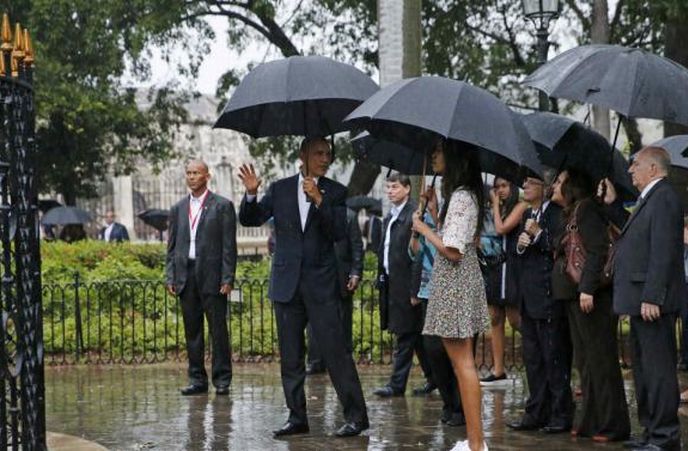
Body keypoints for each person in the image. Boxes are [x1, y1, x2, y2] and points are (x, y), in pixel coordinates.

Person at [238, 137, 368, 438]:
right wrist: (251, 193)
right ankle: (297, 417)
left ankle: (356, 416)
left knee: (336, 353)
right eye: (319, 153)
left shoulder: (335, 191)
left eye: (328, 154)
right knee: (291, 356)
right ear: (302, 156)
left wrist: (319, 199)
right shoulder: (280, 189)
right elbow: (250, 218)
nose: (325, 158)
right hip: (287, 285)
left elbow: (339, 232)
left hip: (321, 286)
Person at [602, 147, 684, 450]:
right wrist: (611, 205)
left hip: (652, 302)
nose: (630, 170)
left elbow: (663, 253)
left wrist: (652, 296)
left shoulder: (663, 197)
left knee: (659, 371)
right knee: (643, 370)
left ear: (653, 167)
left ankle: (664, 437)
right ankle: (651, 431)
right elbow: (632, 234)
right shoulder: (650, 199)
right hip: (639, 300)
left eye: (634, 164)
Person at [412, 140, 490, 451]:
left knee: (463, 365)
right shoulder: (465, 195)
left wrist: (423, 227)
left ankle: (476, 444)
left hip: (454, 282)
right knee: (463, 363)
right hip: (459, 281)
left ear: (455, 157)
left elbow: (453, 250)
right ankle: (475, 441)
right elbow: (456, 235)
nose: (433, 155)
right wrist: (433, 210)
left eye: (439, 151)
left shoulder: (461, 196)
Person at [550, 169, 630, 442]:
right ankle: (591, 419)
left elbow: (598, 249)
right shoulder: (573, 213)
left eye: (559, 181)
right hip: (576, 296)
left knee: (601, 361)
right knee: (586, 361)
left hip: (592, 297)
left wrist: (587, 288)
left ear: (572, 186)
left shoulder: (586, 210)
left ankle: (613, 423)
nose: (554, 185)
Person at [507, 175, 573, 434]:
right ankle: (536, 411)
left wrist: (538, 235)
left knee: (553, 358)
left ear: (545, 187)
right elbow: (519, 253)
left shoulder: (556, 214)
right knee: (533, 361)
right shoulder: (528, 214)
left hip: (547, 297)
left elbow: (559, 248)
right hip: (528, 297)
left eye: (531, 183)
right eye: (523, 183)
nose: (524, 187)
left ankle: (560, 414)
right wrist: (522, 244)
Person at [165, 160, 237, 397]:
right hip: (186, 275)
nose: (191, 176)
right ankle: (197, 379)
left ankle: (222, 379)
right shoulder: (178, 208)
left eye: (196, 173)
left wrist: (228, 277)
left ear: (207, 176)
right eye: (188, 173)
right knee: (192, 331)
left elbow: (229, 246)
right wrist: (171, 276)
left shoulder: (222, 206)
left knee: (218, 330)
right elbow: (172, 247)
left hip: (213, 276)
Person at [373, 173, 433, 397]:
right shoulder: (390, 217)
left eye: (395, 187)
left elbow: (418, 254)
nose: (390, 191)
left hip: (408, 284)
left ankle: (396, 384)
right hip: (392, 283)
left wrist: (416, 288)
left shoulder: (414, 215)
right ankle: (434, 377)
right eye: (388, 187)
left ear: (408, 189)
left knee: (405, 335)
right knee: (414, 335)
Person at [410, 188, 465, 426]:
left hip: (451, 288)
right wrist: (416, 231)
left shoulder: (460, 211)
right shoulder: (428, 214)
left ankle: (460, 406)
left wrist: (427, 226)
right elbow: (415, 252)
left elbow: (451, 247)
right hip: (428, 289)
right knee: (432, 348)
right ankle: (449, 401)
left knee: (454, 351)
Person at [480, 177, 527, 385]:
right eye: (497, 187)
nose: (500, 191)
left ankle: (541, 343)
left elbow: (501, 228)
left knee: (515, 318)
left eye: (505, 186)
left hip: (513, 266)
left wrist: (496, 206)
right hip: (495, 266)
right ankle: (498, 369)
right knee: (494, 317)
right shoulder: (494, 209)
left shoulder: (520, 206)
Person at [306, 206, 363, 375]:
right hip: (315, 277)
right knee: (314, 323)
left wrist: (355, 273)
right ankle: (316, 361)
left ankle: (343, 362)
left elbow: (357, 246)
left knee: (342, 322)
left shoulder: (349, 216)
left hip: (340, 276)